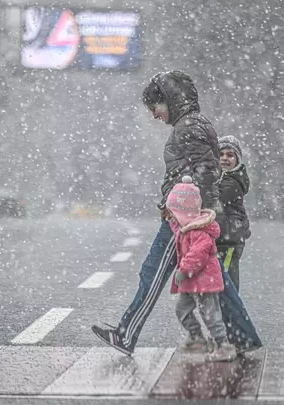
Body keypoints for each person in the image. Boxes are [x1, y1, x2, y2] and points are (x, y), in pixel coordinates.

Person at [91, 70, 262, 356]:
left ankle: (126, 334)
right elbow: (194, 170)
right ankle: (241, 337)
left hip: (184, 219)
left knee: (152, 275)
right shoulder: (191, 124)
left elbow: (206, 169)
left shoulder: (189, 127)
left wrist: (204, 210)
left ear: (170, 99)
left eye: (155, 107)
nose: (155, 115)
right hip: (187, 215)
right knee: (218, 280)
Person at [167, 176, 236, 362]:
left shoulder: (199, 231)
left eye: (173, 212)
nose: (172, 216)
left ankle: (223, 345)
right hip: (192, 281)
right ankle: (196, 337)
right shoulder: (185, 227)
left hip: (204, 281)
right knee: (182, 309)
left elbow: (198, 255)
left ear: (183, 212)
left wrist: (183, 269)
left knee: (210, 315)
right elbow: (177, 230)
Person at [216, 136, 252, 292]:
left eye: (230, 155)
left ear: (237, 159)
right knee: (218, 279)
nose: (224, 158)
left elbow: (217, 199)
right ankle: (222, 312)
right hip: (220, 238)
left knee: (227, 281)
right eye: (221, 154)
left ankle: (233, 313)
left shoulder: (233, 181)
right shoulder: (219, 177)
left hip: (230, 239)